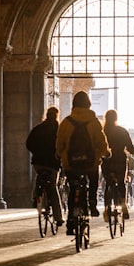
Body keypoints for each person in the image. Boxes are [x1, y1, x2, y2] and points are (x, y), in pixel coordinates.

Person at [55, 90, 110, 233]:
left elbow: (59, 143)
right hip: (90, 163)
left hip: (71, 164)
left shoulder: (66, 122)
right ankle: (92, 203)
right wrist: (106, 152)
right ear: (88, 104)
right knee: (92, 180)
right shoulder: (93, 122)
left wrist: (60, 154)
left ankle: (70, 223)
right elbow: (101, 141)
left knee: (73, 189)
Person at [25, 106, 64, 226]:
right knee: (53, 188)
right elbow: (64, 145)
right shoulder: (59, 130)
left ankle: (36, 197)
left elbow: (29, 143)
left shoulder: (38, 128)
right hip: (53, 163)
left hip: (38, 162)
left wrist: (36, 152)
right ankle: (58, 218)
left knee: (39, 177)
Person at [101, 109, 134, 220]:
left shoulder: (103, 131)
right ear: (116, 118)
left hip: (107, 160)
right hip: (120, 160)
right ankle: (124, 206)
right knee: (122, 183)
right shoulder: (122, 131)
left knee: (108, 184)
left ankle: (106, 209)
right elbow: (129, 146)